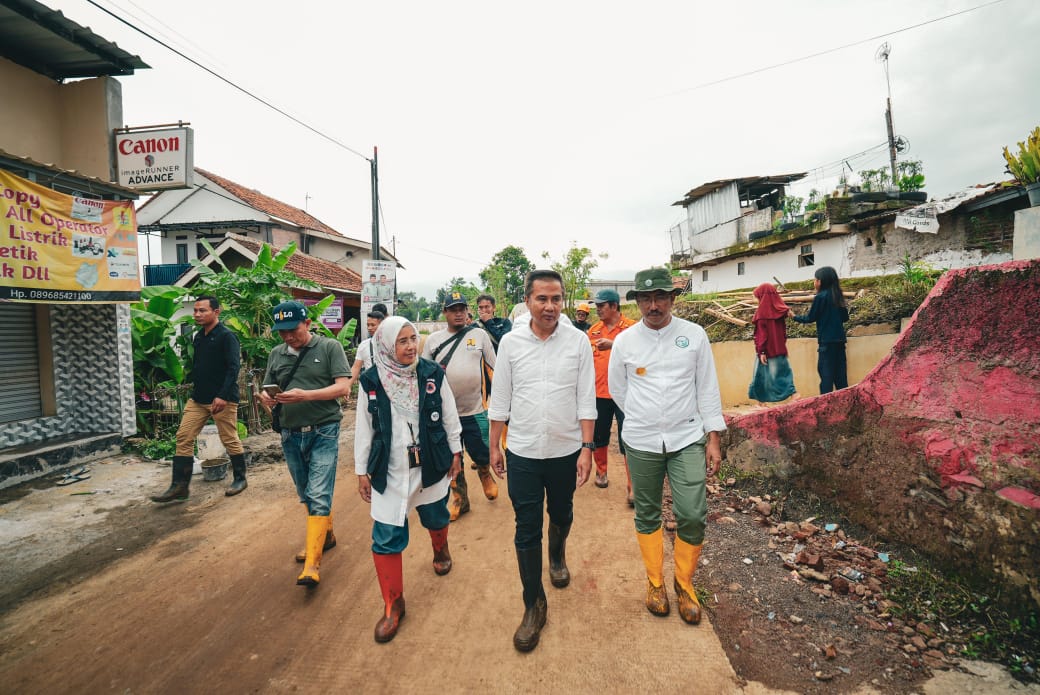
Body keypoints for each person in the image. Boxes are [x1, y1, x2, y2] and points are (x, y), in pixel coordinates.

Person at [608, 267, 726, 626]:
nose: (653, 305)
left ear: (673, 299)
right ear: (638, 302)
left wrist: (714, 437)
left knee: (692, 513)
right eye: (645, 298)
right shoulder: (626, 342)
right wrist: (644, 416)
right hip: (642, 441)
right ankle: (655, 582)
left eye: (660, 297)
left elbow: (707, 388)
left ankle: (685, 584)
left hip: (686, 438)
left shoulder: (694, 336)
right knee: (647, 512)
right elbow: (618, 389)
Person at [489, 269, 596, 652]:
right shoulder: (511, 343)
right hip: (523, 452)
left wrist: (587, 448)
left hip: (566, 451)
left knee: (562, 513)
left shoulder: (578, 342)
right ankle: (533, 603)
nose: (549, 307)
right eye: (542, 299)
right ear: (528, 301)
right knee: (525, 526)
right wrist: (494, 445)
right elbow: (500, 398)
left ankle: (557, 552)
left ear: (563, 301)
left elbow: (587, 398)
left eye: (556, 299)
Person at [355, 316, 463, 643]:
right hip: (389, 470)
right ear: (387, 345)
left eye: (412, 339)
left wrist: (456, 452)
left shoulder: (431, 374)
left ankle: (441, 550)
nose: (410, 346)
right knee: (385, 536)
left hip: (429, 464)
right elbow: (365, 426)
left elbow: (449, 414)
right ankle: (393, 604)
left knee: (435, 515)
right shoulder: (372, 381)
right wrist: (362, 469)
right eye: (402, 341)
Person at [259, 300, 351, 587]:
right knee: (306, 493)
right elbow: (266, 389)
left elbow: (343, 386)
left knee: (319, 491)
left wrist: (306, 395)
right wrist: (266, 399)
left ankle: (312, 564)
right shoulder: (276, 354)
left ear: (308, 324)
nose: (288, 337)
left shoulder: (329, 348)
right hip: (289, 433)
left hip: (324, 430)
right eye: (282, 332)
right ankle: (327, 535)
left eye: (293, 330)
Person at [151, 295, 248, 503]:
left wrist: (222, 395)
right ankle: (180, 487)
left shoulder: (227, 336)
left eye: (202, 310)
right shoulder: (199, 337)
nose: (197, 314)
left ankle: (240, 478)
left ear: (216, 312)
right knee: (183, 437)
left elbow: (233, 368)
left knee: (229, 438)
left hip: (222, 399)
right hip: (198, 399)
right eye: (195, 310)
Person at [421, 291, 499, 518]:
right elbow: (425, 374)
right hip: (445, 415)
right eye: (453, 309)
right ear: (444, 312)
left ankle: (485, 474)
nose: (458, 313)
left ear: (467, 311)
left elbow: (496, 366)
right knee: (451, 458)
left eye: (462, 309)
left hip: (474, 410)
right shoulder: (433, 340)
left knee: (481, 450)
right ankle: (460, 498)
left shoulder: (479, 335)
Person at [587, 288, 636, 496]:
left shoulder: (633, 329)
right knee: (599, 435)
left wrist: (614, 345)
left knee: (629, 437)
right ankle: (601, 472)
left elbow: (640, 355)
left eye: (601, 305)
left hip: (627, 393)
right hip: (599, 392)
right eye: (596, 306)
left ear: (614, 306)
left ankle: (632, 484)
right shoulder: (594, 331)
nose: (597, 309)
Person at [793, 266, 850, 394]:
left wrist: (794, 317)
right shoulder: (838, 297)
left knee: (826, 379)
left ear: (821, 281)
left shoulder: (820, 297)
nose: (814, 282)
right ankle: (846, 407)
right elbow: (845, 318)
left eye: (815, 280)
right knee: (841, 379)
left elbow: (810, 318)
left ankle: (826, 409)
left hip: (826, 343)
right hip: (840, 342)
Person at [748, 283, 797, 404]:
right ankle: (793, 395)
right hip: (779, 348)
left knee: (761, 376)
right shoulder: (779, 312)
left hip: (767, 350)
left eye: (758, 296)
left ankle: (762, 402)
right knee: (783, 373)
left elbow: (762, 335)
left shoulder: (761, 313)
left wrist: (762, 351)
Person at [350, 310, 386, 383]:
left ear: (382, 325)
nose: (369, 328)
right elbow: (356, 368)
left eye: (373, 325)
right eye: (368, 325)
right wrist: (348, 385)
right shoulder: (364, 345)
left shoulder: (392, 344)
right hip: (370, 387)